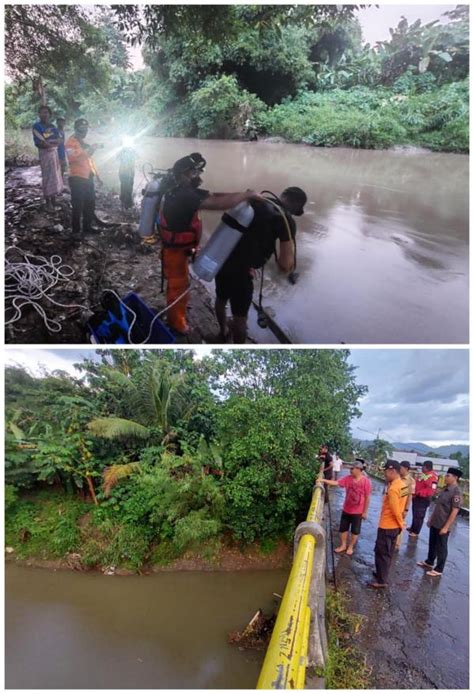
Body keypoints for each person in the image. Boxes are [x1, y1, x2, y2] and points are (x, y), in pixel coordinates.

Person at [158, 152, 263, 335]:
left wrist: (242, 195)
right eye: (194, 173)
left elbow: (215, 195)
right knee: (178, 285)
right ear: (184, 174)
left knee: (179, 284)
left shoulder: (182, 191)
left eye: (198, 173)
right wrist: (245, 195)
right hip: (175, 252)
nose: (197, 177)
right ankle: (176, 323)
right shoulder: (184, 195)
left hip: (181, 249)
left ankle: (176, 312)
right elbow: (217, 202)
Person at [214, 187, 307, 343]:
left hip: (223, 259)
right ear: (296, 204)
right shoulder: (285, 220)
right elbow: (284, 264)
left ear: (283, 195)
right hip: (243, 272)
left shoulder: (255, 201)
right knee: (240, 317)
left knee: (221, 298)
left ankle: (222, 331)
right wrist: (287, 269)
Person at [417, 467, 463, 577]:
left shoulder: (456, 491)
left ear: (455, 477)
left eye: (448, 476)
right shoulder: (445, 488)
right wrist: (431, 519)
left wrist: (446, 527)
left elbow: (454, 511)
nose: (446, 478)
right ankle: (429, 561)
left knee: (441, 547)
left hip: (443, 523)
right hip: (436, 521)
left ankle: (439, 569)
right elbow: (438, 506)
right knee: (432, 543)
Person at [321, 460, 371, 556]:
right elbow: (336, 483)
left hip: (358, 511)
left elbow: (367, 497)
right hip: (346, 509)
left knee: (355, 531)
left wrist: (365, 512)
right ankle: (343, 545)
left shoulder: (366, 482)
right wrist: (323, 480)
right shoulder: (348, 479)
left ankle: (351, 546)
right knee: (343, 528)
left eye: (352, 468)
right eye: (350, 468)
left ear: (359, 469)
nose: (350, 470)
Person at [368, 460, 405, 589]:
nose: (384, 474)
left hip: (388, 526)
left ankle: (382, 580)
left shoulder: (394, 488)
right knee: (385, 552)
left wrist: (401, 525)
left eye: (386, 472)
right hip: (392, 526)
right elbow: (403, 505)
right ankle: (380, 574)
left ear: (392, 471)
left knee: (383, 553)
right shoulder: (403, 485)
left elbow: (395, 510)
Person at [65, 118, 102, 238]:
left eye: (86, 130)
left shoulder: (84, 143)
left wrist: (97, 175)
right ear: (76, 129)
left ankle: (87, 226)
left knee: (90, 203)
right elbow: (72, 158)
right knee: (77, 205)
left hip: (88, 176)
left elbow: (90, 161)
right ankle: (76, 231)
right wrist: (89, 150)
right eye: (82, 130)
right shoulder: (70, 143)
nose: (84, 132)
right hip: (76, 177)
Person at [32, 105, 63, 211]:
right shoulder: (37, 126)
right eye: (42, 112)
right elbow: (40, 143)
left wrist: (49, 142)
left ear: (50, 114)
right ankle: (48, 202)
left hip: (54, 153)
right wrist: (50, 142)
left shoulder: (52, 126)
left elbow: (59, 140)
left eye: (46, 112)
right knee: (47, 177)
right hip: (45, 154)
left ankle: (54, 199)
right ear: (39, 114)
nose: (44, 114)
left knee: (55, 176)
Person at [407, 461, 438, 538]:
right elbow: (419, 483)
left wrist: (418, 493)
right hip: (417, 497)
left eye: (423, 466)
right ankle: (413, 527)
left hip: (423, 499)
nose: (421, 468)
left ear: (427, 467)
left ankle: (416, 531)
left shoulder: (433, 477)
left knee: (419, 515)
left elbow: (431, 490)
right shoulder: (425, 475)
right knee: (415, 513)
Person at [396, 460, 415, 550]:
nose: (399, 469)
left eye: (401, 468)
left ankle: (396, 545)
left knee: (399, 525)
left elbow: (409, 496)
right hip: (394, 504)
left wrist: (406, 510)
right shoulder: (397, 477)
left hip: (402, 507)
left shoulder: (410, 481)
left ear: (406, 469)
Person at [118, 144, 137, 210]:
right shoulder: (127, 154)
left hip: (125, 173)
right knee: (127, 188)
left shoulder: (125, 153)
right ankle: (127, 204)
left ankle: (123, 201)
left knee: (125, 186)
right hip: (126, 174)